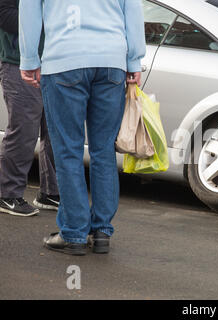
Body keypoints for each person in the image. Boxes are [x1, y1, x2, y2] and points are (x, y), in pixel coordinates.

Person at [19, 0, 146, 255]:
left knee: (68, 151)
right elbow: (132, 9)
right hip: (111, 62)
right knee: (103, 152)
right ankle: (101, 231)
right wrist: (134, 61)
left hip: (64, 60)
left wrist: (29, 58)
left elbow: (29, 9)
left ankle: (74, 233)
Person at [0, 0, 59, 217]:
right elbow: (4, 14)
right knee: (24, 130)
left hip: (55, 62)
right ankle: (7, 195)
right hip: (19, 61)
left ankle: (50, 193)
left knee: (55, 131)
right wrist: (48, 20)